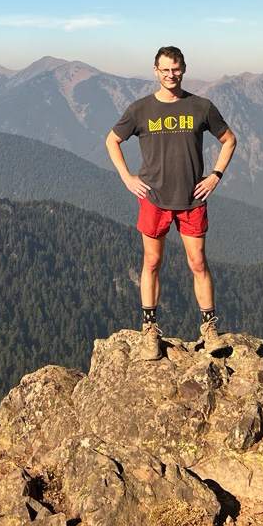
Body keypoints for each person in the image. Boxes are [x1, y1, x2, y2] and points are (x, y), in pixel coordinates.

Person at [105, 46, 237, 360]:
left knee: (198, 264)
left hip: (192, 199)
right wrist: (126, 177)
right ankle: (150, 330)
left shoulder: (201, 106)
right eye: (164, 69)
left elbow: (229, 139)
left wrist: (216, 175)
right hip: (154, 199)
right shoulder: (140, 110)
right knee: (151, 263)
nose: (170, 75)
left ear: (184, 69)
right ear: (155, 70)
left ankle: (209, 330)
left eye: (175, 69)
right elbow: (112, 140)